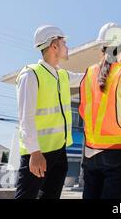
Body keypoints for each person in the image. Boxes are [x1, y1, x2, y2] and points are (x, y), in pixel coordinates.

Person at [14, 25, 85, 199]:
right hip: (38, 153)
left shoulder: (62, 75)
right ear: (54, 46)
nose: (67, 47)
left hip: (59, 151)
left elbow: (86, 77)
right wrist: (35, 153)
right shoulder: (31, 75)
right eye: (64, 42)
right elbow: (26, 118)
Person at [79, 22, 121, 199]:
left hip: (90, 153)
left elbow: (82, 110)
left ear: (102, 47)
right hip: (117, 152)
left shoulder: (89, 73)